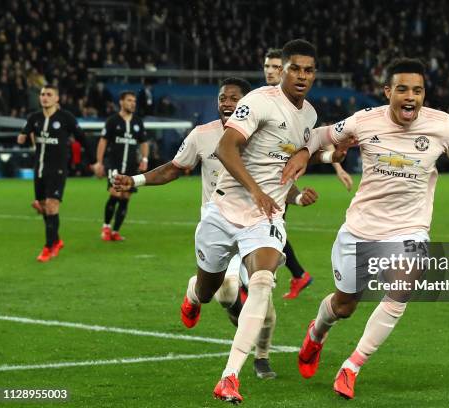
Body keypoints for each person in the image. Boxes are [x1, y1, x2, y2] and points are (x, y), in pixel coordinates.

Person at [283, 57, 449, 400]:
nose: (411, 97)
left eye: (418, 90)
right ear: (388, 91)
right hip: (360, 229)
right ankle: (317, 331)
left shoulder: (442, 126)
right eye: (402, 89)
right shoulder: (364, 121)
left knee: (402, 287)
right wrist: (304, 153)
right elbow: (321, 135)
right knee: (344, 306)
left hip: (409, 229)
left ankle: (352, 366)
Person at [112, 77, 317, 379]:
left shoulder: (269, 132)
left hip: (257, 225)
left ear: (247, 104)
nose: (227, 103)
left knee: (263, 292)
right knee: (220, 293)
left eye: (234, 98)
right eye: (223, 98)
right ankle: (195, 295)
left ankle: (260, 359)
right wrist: (136, 180)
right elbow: (174, 168)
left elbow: (278, 178)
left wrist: (298, 196)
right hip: (219, 224)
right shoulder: (203, 135)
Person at [189, 39, 346, 403]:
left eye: (309, 70)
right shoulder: (258, 101)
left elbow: (292, 151)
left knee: (262, 282)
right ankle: (193, 297)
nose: (302, 76)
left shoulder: (309, 114)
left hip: (266, 217)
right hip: (226, 207)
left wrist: (322, 155)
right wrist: (255, 189)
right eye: (295, 68)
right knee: (209, 288)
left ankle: (230, 376)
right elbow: (227, 148)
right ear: (283, 70)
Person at [263, 47, 354, 299]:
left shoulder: (303, 111)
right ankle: (291, 276)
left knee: (268, 231)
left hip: (277, 184)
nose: (271, 71)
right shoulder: (258, 103)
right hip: (253, 185)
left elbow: (312, 142)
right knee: (270, 232)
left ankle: (256, 285)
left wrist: (335, 163)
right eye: (267, 67)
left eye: (275, 67)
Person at [17, 84, 89, 262]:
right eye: (42, 94)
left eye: (49, 94)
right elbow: (24, 135)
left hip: (57, 169)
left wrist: (94, 161)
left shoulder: (66, 117)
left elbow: (82, 138)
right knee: (43, 207)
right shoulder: (34, 117)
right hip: (39, 169)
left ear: (57, 99)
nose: (44, 97)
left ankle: (48, 248)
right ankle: (56, 240)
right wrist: (22, 137)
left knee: (51, 206)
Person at [93, 92, 149, 241]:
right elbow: (103, 141)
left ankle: (116, 231)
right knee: (115, 193)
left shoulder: (138, 122)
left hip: (131, 166)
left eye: (134, 101)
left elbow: (143, 142)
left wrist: (144, 158)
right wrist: (99, 162)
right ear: (121, 102)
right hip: (114, 164)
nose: (133, 103)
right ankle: (106, 227)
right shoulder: (112, 121)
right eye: (129, 100)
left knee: (126, 196)